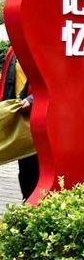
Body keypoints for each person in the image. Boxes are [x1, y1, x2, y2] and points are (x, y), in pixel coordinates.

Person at [1, 46, 39, 200]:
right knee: (26, 168)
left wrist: (31, 100)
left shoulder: (46, 47)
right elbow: (7, 82)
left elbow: (56, 80)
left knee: (39, 167)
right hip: (21, 118)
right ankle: (28, 204)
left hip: (42, 116)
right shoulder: (14, 50)